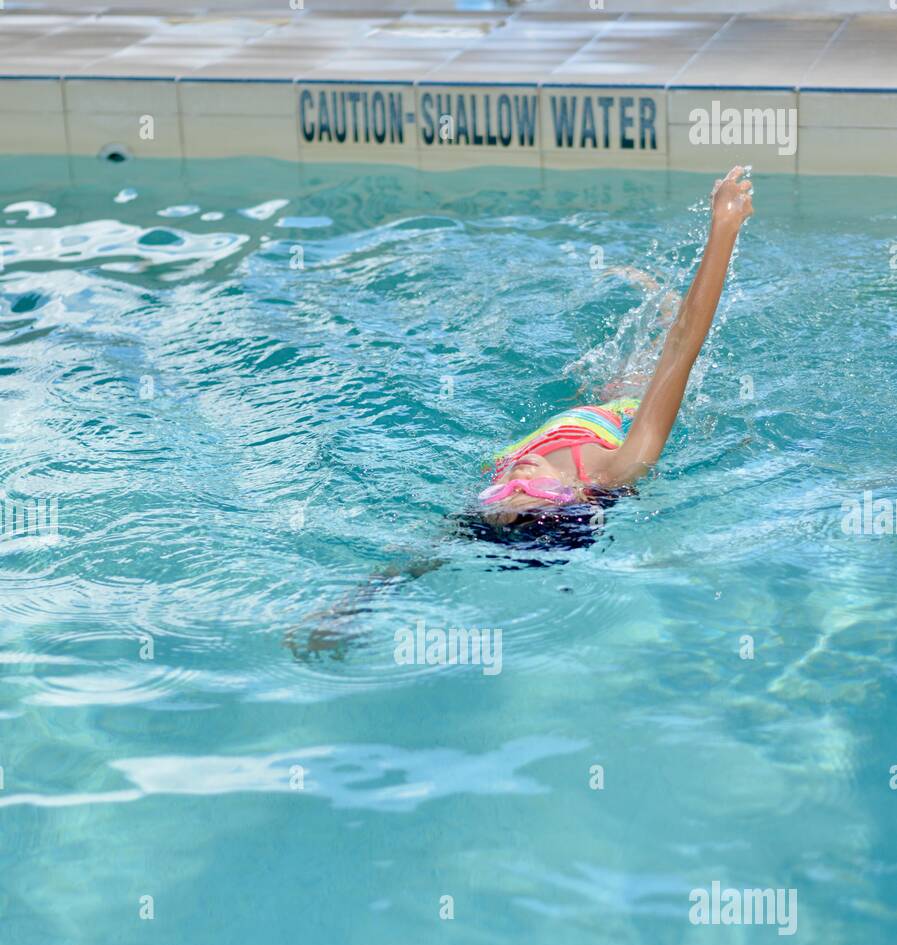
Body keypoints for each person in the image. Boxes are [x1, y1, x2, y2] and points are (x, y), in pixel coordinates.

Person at [288, 166, 754, 659]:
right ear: (573, 503)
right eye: (530, 491)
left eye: (502, 491)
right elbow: (684, 348)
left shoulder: (493, 512)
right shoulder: (617, 468)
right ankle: (662, 301)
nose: (516, 476)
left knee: (592, 378)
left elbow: (409, 565)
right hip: (624, 407)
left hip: (574, 414)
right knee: (654, 351)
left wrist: (347, 611)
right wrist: (723, 227)